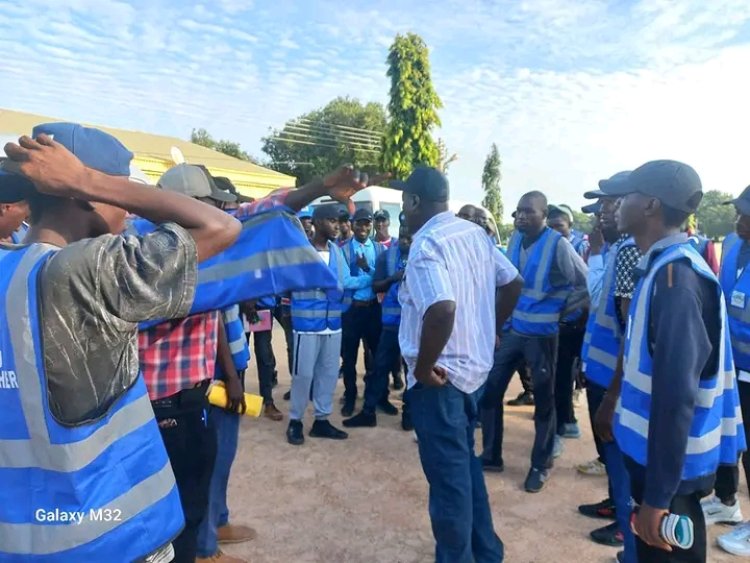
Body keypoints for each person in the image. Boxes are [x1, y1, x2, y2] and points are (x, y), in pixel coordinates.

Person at [0, 125, 241, 562]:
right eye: (121, 190)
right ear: (78, 191)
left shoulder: (6, 269)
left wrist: (88, 184)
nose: (128, 213)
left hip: (22, 539)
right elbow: (220, 225)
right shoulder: (86, 271)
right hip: (113, 534)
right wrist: (89, 181)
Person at [608, 160, 745, 562]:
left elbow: (676, 397)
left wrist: (658, 496)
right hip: (661, 469)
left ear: (650, 205)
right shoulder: (662, 268)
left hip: (671, 479)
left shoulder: (677, 281)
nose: (617, 205)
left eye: (626, 196)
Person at [393, 166, 522, 562]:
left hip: (440, 379)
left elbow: (442, 308)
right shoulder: (474, 234)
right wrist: (491, 328)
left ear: (414, 201)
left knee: (449, 485)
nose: (404, 212)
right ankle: (487, 551)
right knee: (465, 470)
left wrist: (421, 366)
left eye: (404, 204)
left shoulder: (426, 243)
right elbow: (513, 282)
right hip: (474, 373)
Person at [480, 191, 588, 492]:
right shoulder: (515, 240)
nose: (521, 217)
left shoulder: (558, 245)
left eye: (528, 211)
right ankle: (491, 455)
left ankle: (540, 465)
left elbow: (584, 282)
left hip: (542, 336)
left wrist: (561, 312)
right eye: (517, 212)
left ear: (544, 214)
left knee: (544, 403)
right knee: (490, 392)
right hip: (514, 330)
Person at [575, 175, 639, 560]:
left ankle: (625, 523)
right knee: (609, 452)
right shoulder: (620, 248)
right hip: (599, 368)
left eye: (608, 204)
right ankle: (616, 504)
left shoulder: (626, 251)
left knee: (618, 455)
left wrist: (595, 255)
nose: (602, 213)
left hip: (614, 375)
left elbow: (602, 299)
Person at [287, 204, 372, 445]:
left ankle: (321, 420)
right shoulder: (301, 251)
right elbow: (291, 282)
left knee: (327, 374)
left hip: (332, 324)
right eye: (332, 221)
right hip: (306, 324)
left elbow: (343, 283)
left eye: (339, 221)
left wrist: (339, 303)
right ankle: (295, 420)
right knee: (303, 375)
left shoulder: (337, 251)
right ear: (318, 221)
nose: (338, 226)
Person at [701, 186, 750, 557]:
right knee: (728, 439)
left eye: (746, 213)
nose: (739, 219)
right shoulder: (732, 241)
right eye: (738, 212)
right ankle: (727, 501)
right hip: (729, 364)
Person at [343, 221, 412, 427]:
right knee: (379, 366)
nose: (405, 241)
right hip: (390, 323)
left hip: (412, 324)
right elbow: (376, 284)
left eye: (409, 238)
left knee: (411, 369)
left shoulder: (423, 255)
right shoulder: (387, 256)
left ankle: (409, 413)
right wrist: (393, 278)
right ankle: (368, 410)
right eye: (402, 236)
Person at [339, 208, 385, 416]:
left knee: (376, 357)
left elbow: (383, 280)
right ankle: (350, 398)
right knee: (349, 359)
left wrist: (367, 270)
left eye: (367, 223)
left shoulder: (378, 249)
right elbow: (345, 281)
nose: (364, 227)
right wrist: (371, 279)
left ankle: (376, 398)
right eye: (360, 223)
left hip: (373, 310)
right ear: (353, 224)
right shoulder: (343, 250)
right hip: (351, 310)